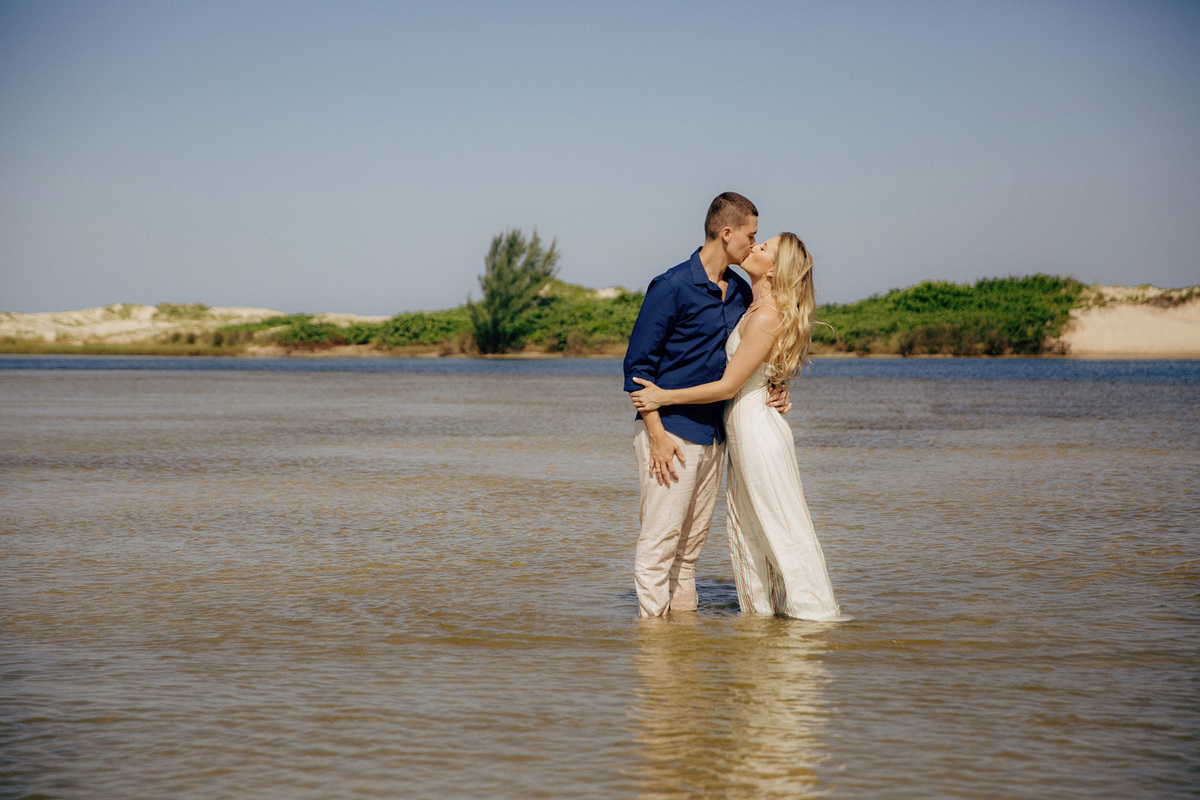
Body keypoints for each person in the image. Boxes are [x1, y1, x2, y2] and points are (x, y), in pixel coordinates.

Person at [631, 233, 841, 620]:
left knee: (777, 521)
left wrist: (663, 396)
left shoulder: (759, 309)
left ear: (776, 270)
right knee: (748, 526)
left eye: (764, 247)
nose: (755, 247)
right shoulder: (744, 298)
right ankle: (763, 620)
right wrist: (775, 386)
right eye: (754, 239)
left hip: (753, 433)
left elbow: (730, 383)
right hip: (734, 432)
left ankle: (813, 617)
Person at [623, 192, 789, 618]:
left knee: (689, 551)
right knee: (660, 544)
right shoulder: (671, 286)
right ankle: (652, 645)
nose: (754, 244)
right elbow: (637, 370)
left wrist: (778, 384)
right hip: (671, 433)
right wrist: (657, 435)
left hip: (714, 436)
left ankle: (682, 645)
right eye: (750, 235)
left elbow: (750, 353)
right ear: (726, 232)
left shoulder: (736, 292)